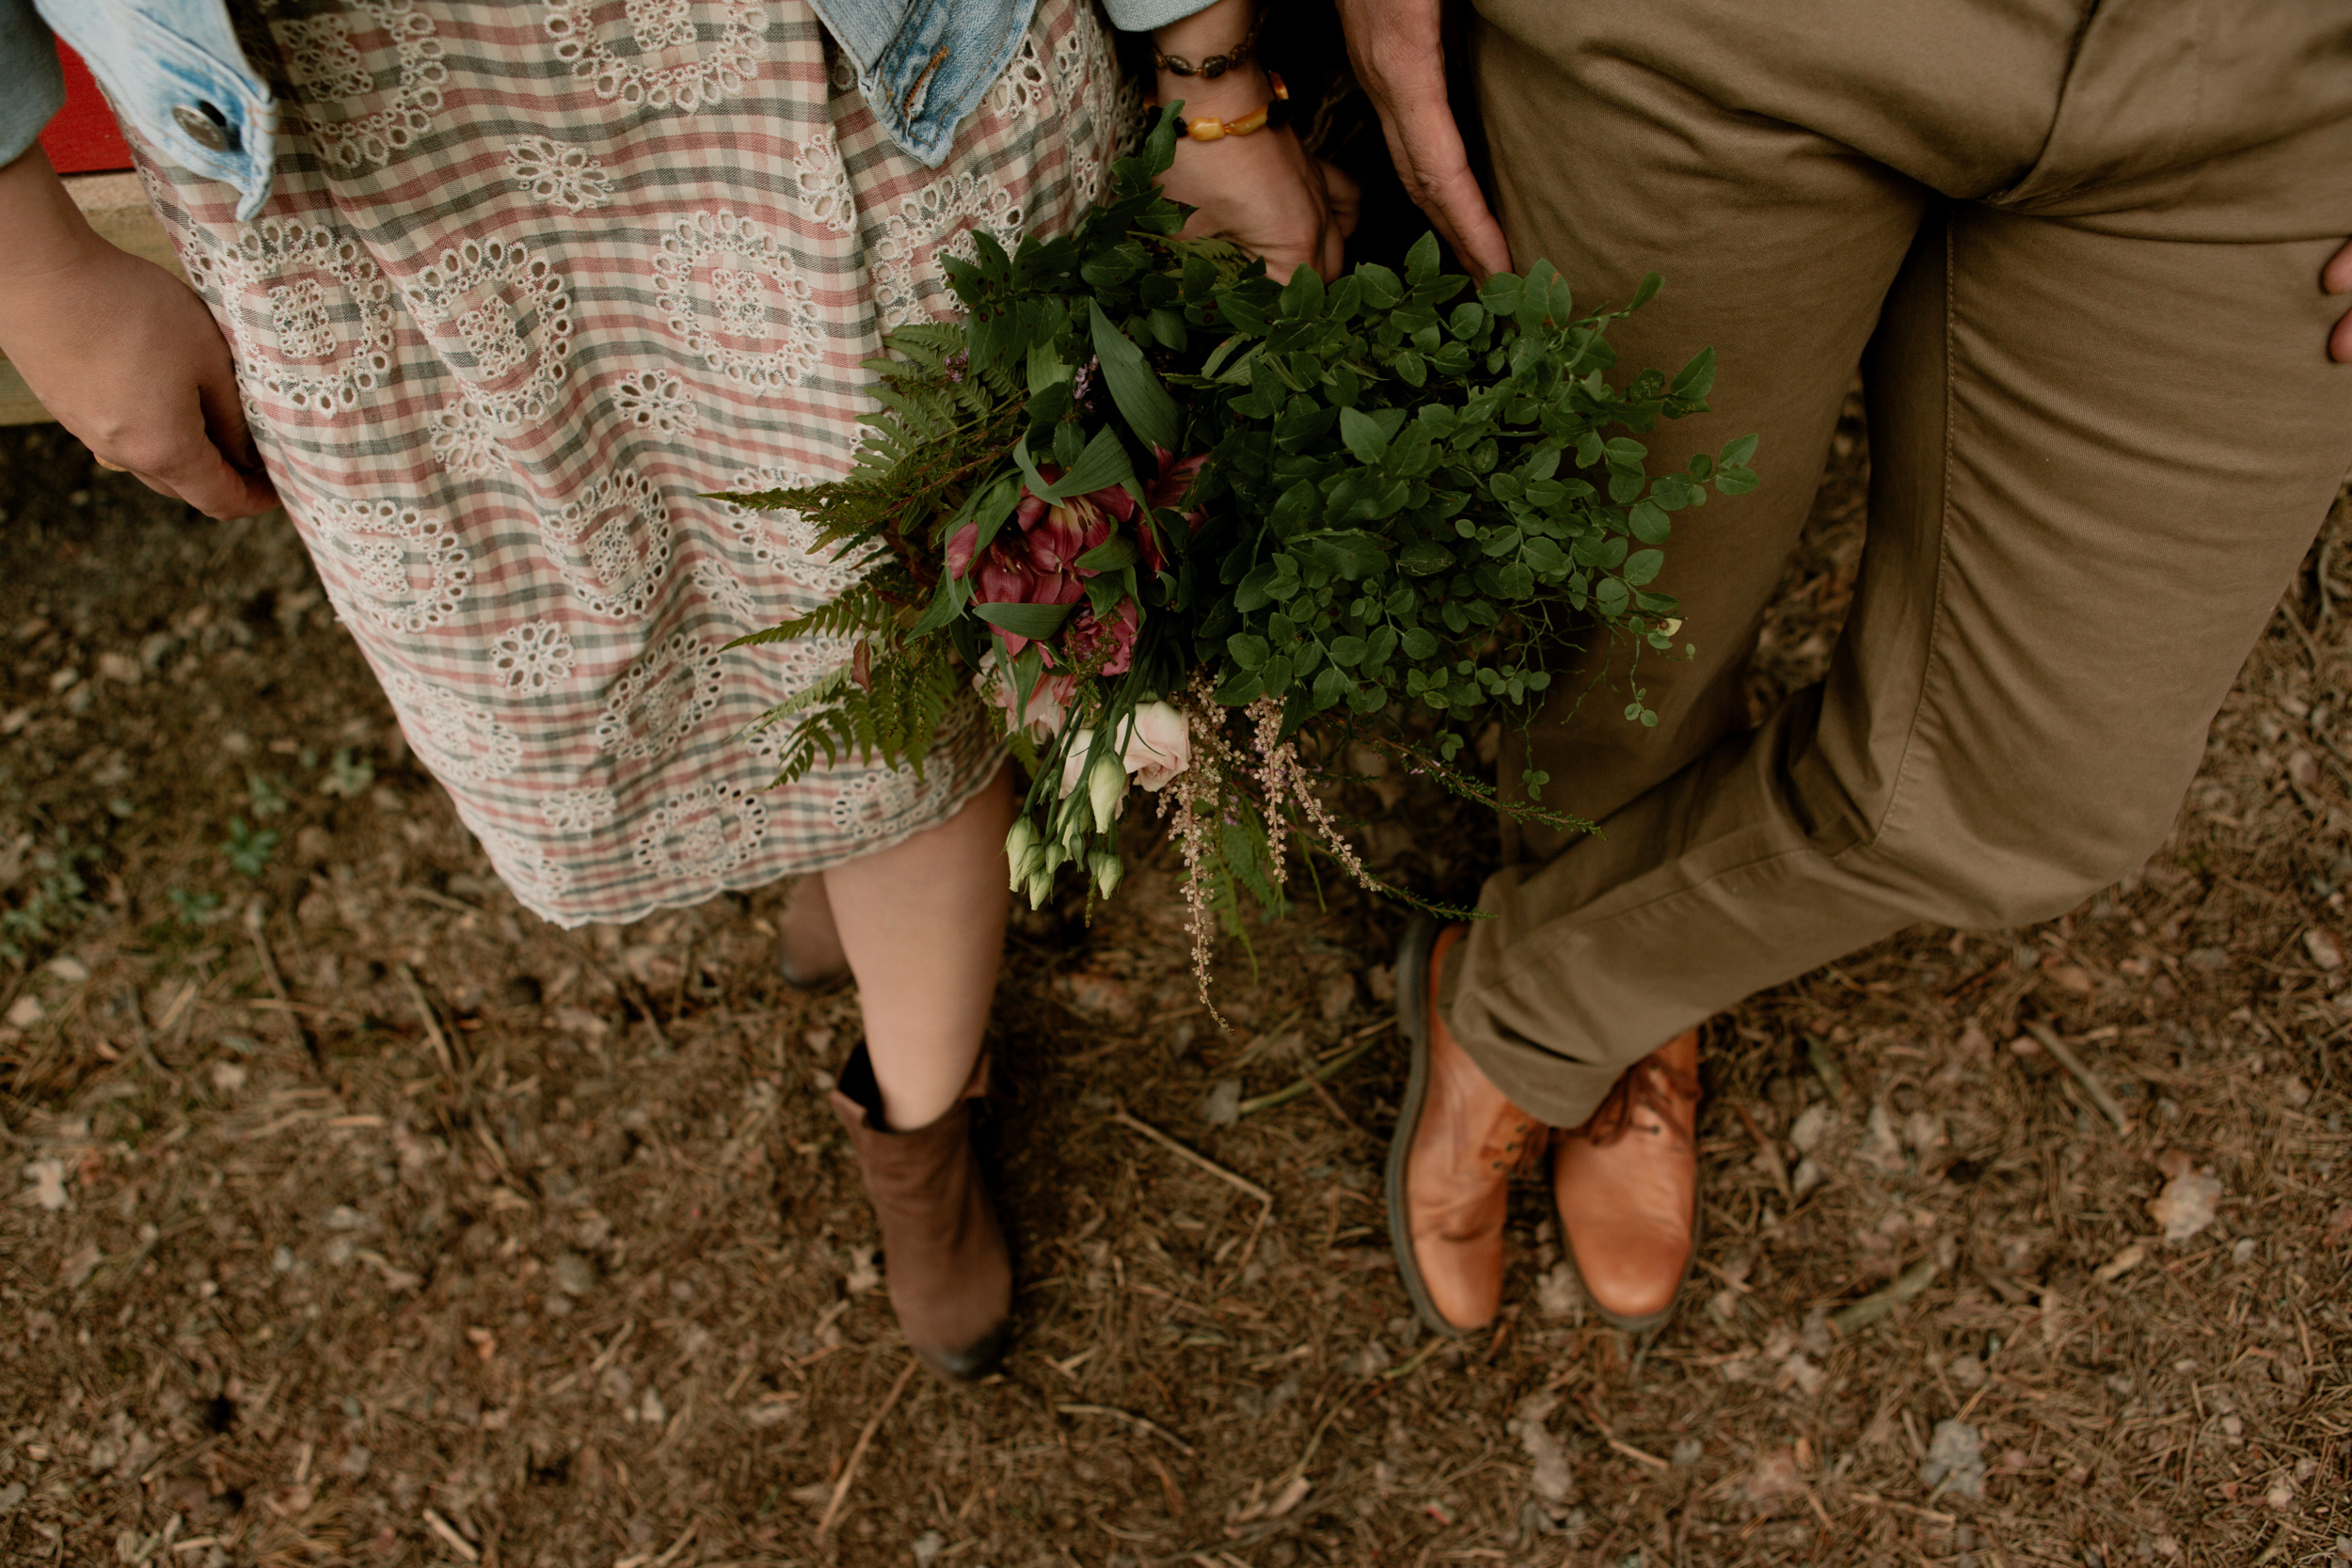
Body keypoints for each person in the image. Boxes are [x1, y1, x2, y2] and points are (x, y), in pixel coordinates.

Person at [0, 0, 1350, 1381]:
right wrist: (27, 256)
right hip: (375, 152)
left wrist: (1213, 74)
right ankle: (826, 859)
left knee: (906, 675)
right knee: (637, 622)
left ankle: (919, 1128)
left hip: (858, 84)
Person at [1352, 0, 2352, 1338]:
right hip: (1715, 30)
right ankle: (1613, 966)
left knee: (2036, 791)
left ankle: (1548, 985)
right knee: (1640, 607)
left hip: (2271, 88)